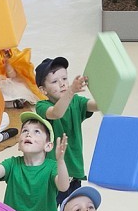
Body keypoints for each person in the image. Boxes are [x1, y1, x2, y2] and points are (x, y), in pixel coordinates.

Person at [35, 56, 97, 200]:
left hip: (74, 173)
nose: (62, 84)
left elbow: (97, 105)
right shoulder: (42, 106)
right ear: (43, 90)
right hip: (51, 175)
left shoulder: (77, 101)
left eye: (64, 79)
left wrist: (100, 85)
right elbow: (57, 113)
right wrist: (71, 91)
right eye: (55, 81)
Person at [0, 27, 44, 108]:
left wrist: (7, 64)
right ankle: (8, 103)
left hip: (4, 82)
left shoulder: (10, 52)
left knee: (14, 90)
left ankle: (9, 102)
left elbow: (13, 76)